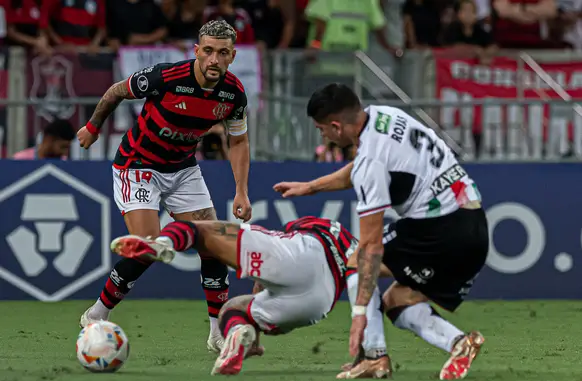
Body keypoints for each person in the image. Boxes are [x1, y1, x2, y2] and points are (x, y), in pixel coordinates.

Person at [273, 84, 489, 380]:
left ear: (336, 127)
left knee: (355, 260)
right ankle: (460, 343)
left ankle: (375, 356)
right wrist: (311, 186)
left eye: (321, 129)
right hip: (474, 224)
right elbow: (363, 167)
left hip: (439, 229)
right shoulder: (386, 116)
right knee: (398, 301)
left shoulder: (369, 160)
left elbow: (371, 248)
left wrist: (360, 314)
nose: (322, 135)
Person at [76, 20, 253, 353]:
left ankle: (217, 332)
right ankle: (96, 314)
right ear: (197, 51)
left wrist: (241, 190)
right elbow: (116, 92)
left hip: (182, 169)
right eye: (209, 51)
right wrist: (92, 127)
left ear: (232, 55)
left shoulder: (233, 93)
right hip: (137, 165)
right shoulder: (166, 77)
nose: (215, 60)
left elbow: (239, 140)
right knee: (147, 246)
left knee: (212, 241)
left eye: (223, 53)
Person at [109, 216, 392, 377]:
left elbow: (270, 271)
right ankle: (243, 334)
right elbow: (372, 279)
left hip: (304, 252)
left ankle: (162, 243)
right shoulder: (359, 250)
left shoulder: (308, 225)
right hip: (321, 299)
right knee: (243, 311)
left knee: (199, 230)